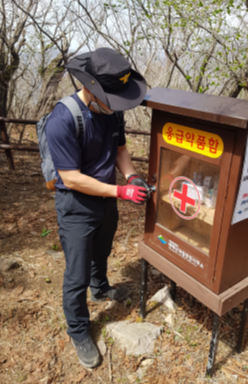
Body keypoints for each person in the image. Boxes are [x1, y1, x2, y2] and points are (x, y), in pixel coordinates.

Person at [45, 48, 149, 368]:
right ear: (90, 88)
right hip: (76, 204)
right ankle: (78, 329)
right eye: (111, 100)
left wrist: (132, 176)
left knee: (102, 250)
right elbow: (71, 178)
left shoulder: (111, 110)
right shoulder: (62, 119)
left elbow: (120, 148)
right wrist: (121, 190)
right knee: (75, 274)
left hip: (107, 199)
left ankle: (100, 289)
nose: (115, 107)